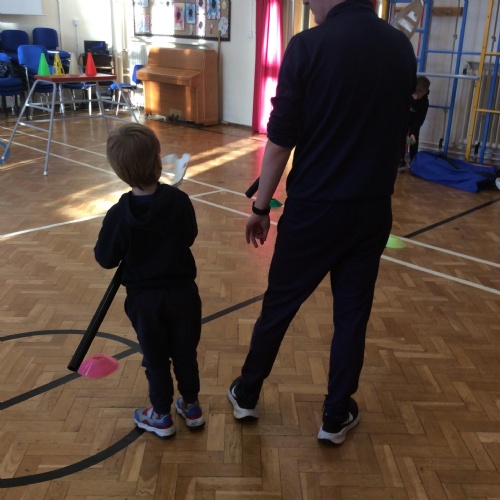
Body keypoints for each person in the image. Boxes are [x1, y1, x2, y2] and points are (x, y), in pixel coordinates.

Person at [227, 0, 416, 445]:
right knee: (352, 314)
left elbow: (280, 140)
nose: (308, 3)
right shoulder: (400, 47)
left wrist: (260, 209)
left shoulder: (308, 46)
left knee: (279, 305)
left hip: (314, 209)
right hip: (371, 209)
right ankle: (335, 414)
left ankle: (247, 392)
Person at [94, 123, 204, 439]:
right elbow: (189, 236)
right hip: (183, 295)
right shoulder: (179, 201)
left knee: (155, 359)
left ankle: (160, 415)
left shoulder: (118, 215)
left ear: (120, 172)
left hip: (144, 302)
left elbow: (105, 258)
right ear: (157, 161)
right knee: (185, 352)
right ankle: (191, 406)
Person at [400, 76, 430, 169]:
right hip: (405, 117)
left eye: (420, 96)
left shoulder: (424, 103)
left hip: (415, 120)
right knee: (401, 135)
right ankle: (400, 160)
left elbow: (420, 119)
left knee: (414, 138)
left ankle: (413, 160)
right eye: (415, 95)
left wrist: (413, 133)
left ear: (425, 93)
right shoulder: (406, 94)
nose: (416, 98)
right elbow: (401, 111)